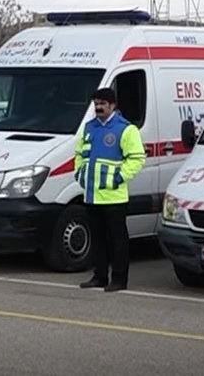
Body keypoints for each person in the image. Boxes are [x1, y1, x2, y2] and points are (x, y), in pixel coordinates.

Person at [74, 87, 145, 291]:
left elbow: (137, 159)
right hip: (92, 195)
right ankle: (99, 276)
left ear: (112, 105)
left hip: (114, 197)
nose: (98, 107)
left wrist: (119, 177)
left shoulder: (126, 129)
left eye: (102, 104)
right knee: (98, 240)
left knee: (118, 241)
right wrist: (79, 173)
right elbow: (80, 153)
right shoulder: (89, 128)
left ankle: (119, 280)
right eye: (96, 104)